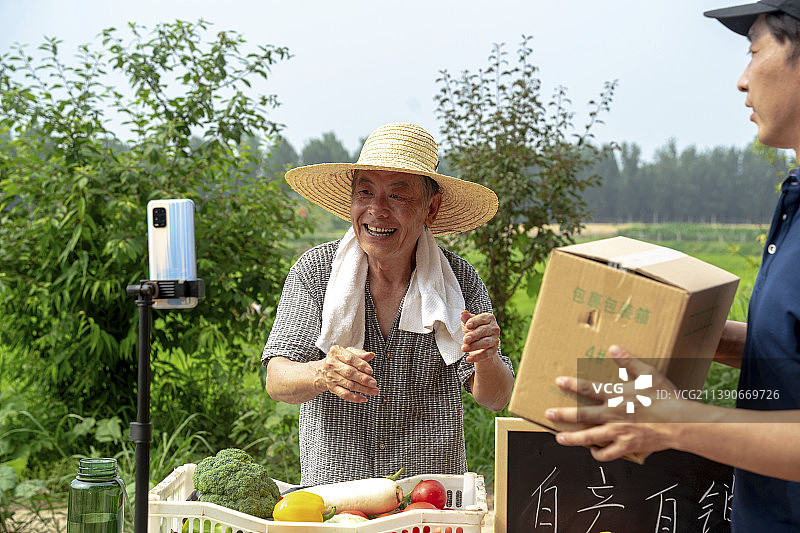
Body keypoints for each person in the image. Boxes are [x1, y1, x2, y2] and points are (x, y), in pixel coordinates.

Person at [544, 2, 800, 530]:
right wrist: (675, 331)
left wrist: (675, 422)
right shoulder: (793, 200)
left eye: (754, 51)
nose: (742, 80)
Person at [261, 122, 515, 486]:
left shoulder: (457, 281)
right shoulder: (315, 272)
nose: (376, 210)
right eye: (365, 192)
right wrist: (323, 372)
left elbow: (496, 398)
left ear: (431, 208)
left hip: (429, 501)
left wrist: (486, 358)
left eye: (397, 196)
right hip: (337, 500)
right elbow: (276, 379)